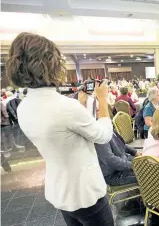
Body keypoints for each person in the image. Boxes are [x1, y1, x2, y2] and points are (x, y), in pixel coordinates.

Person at [6, 32, 114, 226]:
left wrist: (80, 105)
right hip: (84, 192)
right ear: (51, 64)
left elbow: (63, 135)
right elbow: (103, 135)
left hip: (59, 190)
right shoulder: (65, 106)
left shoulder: (23, 106)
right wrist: (103, 99)